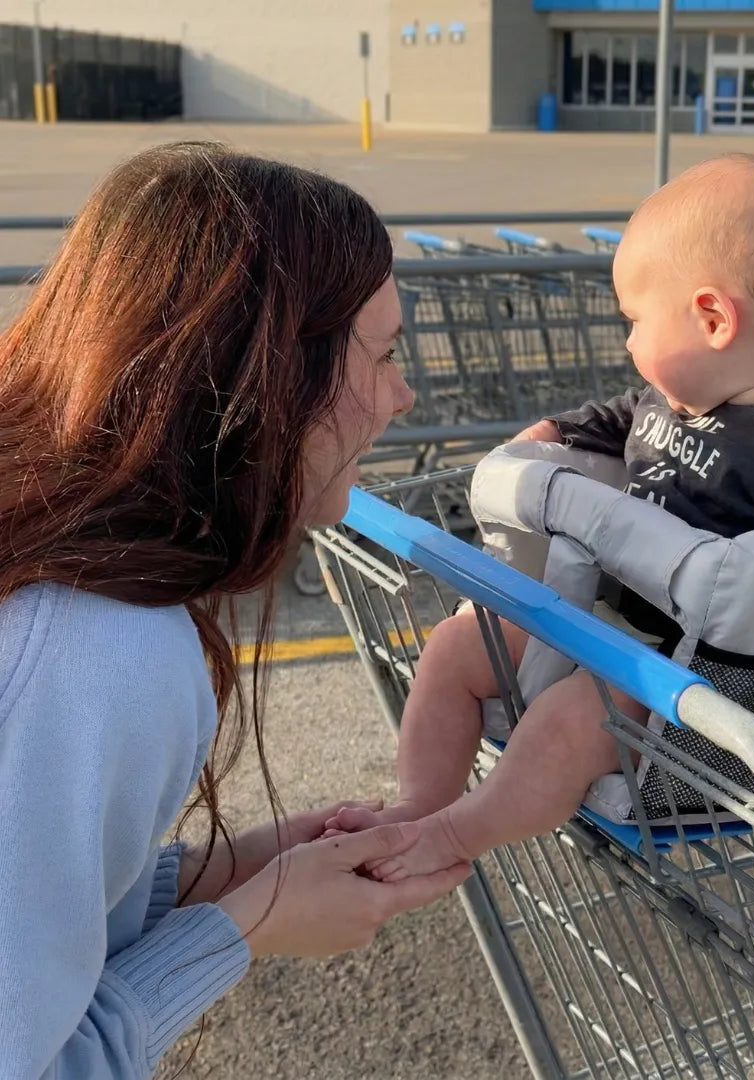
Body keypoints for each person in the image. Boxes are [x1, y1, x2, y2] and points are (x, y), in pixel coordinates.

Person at [0, 142, 472, 1078]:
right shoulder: (107, 649)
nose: (402, 395)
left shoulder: (51, 567)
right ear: (269, 381)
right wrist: (247, 927)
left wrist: (227, 870)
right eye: (380, 356)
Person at [323, 153, 754, 880]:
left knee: (573, 721)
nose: (629, 344)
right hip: (612, 619)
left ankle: (450, 837)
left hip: (710, 677)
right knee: (455, 645)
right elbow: (617, 420)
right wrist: (554, 438)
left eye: (635, 321)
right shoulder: (682, 394)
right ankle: (417, 804)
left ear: (713, 318)